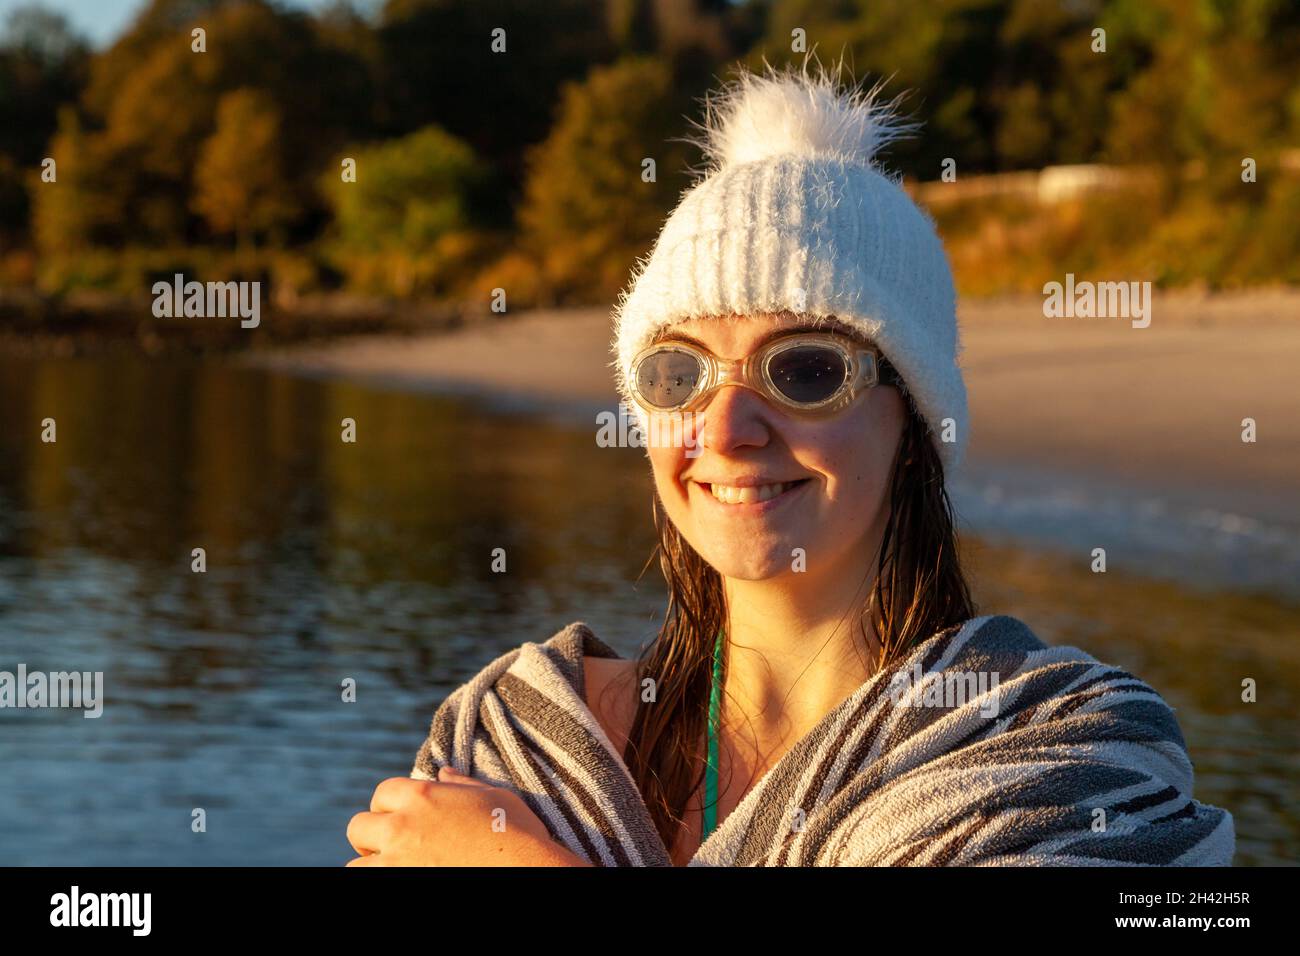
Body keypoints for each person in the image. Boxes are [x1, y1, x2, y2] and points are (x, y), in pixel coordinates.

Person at [345, 58, 1235, 867]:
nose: (726, 428)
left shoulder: (1065, 753)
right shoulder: (517, 739)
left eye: (805, 369)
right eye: (678, 371)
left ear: (915, 424)